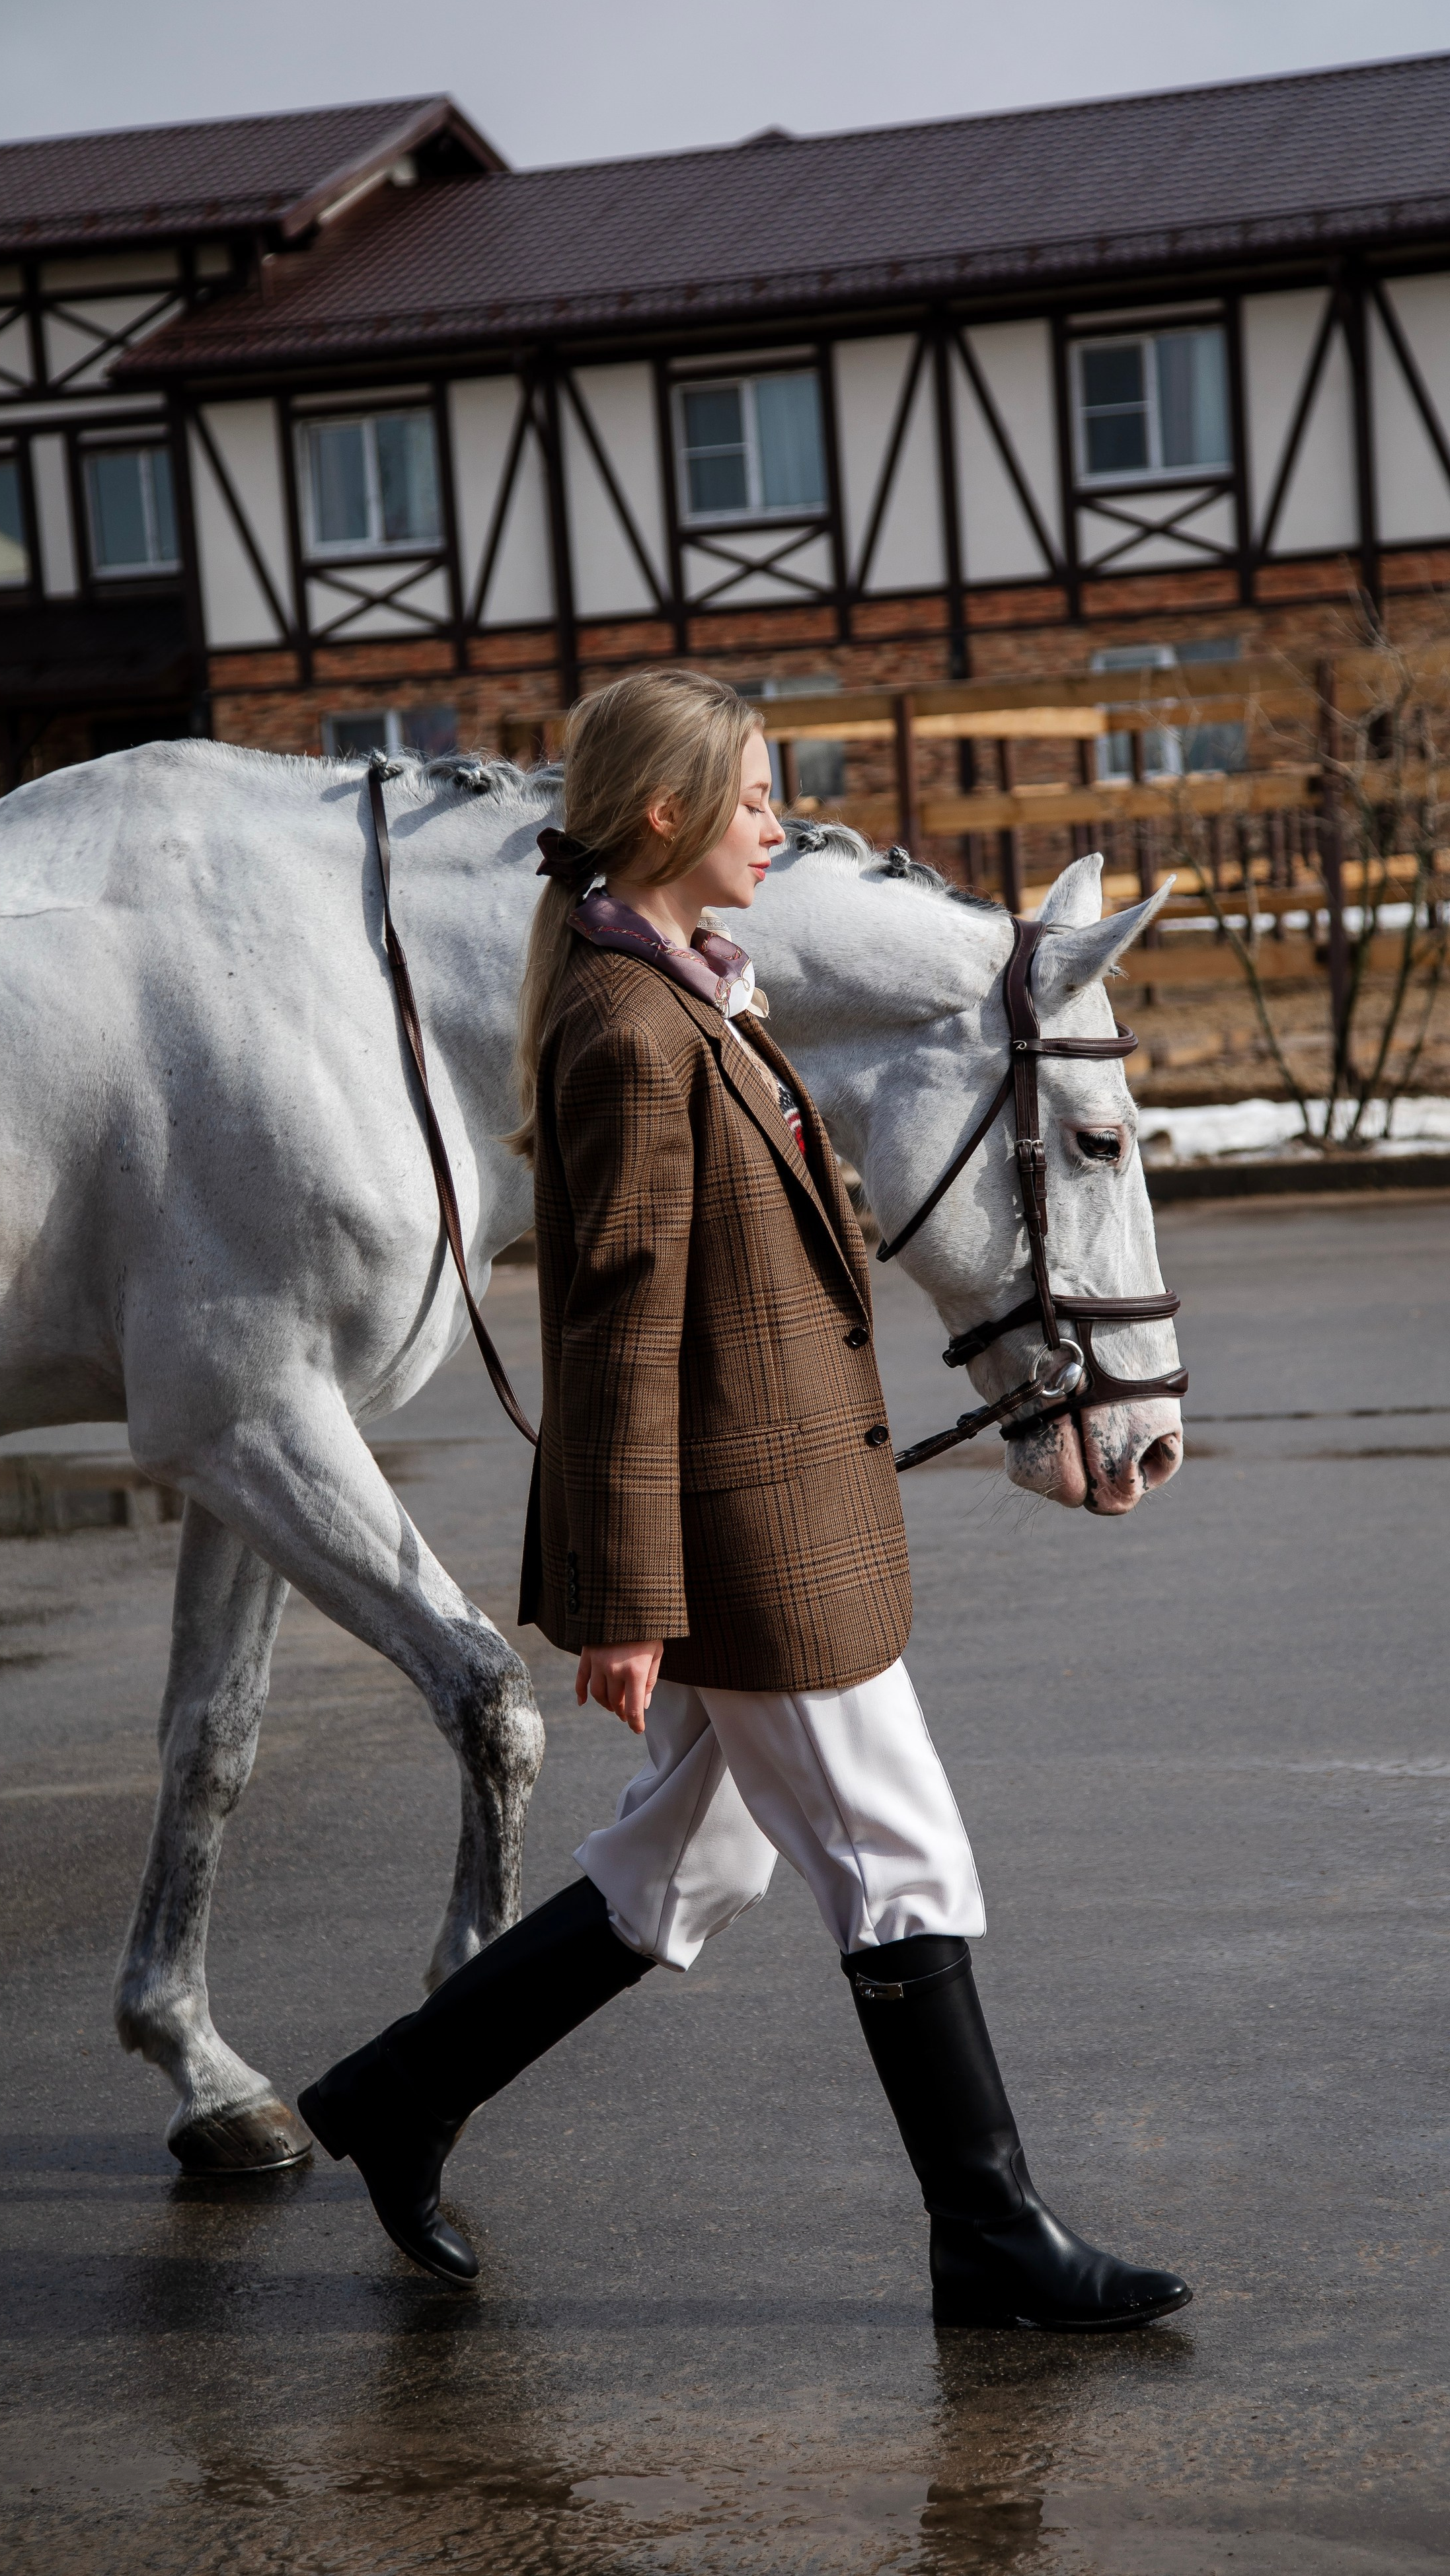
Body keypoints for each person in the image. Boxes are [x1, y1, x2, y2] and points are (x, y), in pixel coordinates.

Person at [299, 669, 1190, 2334]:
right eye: (758, 799)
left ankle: (396, 2094)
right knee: (902, 1851)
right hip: (745, 1533)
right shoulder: (634, 1028)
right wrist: (629, 1593)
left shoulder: (698, 989)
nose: (782, 826)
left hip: (781, 1504)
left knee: (686, 1866)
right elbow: (618, 1331)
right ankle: (989, 2234)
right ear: (665, 816)